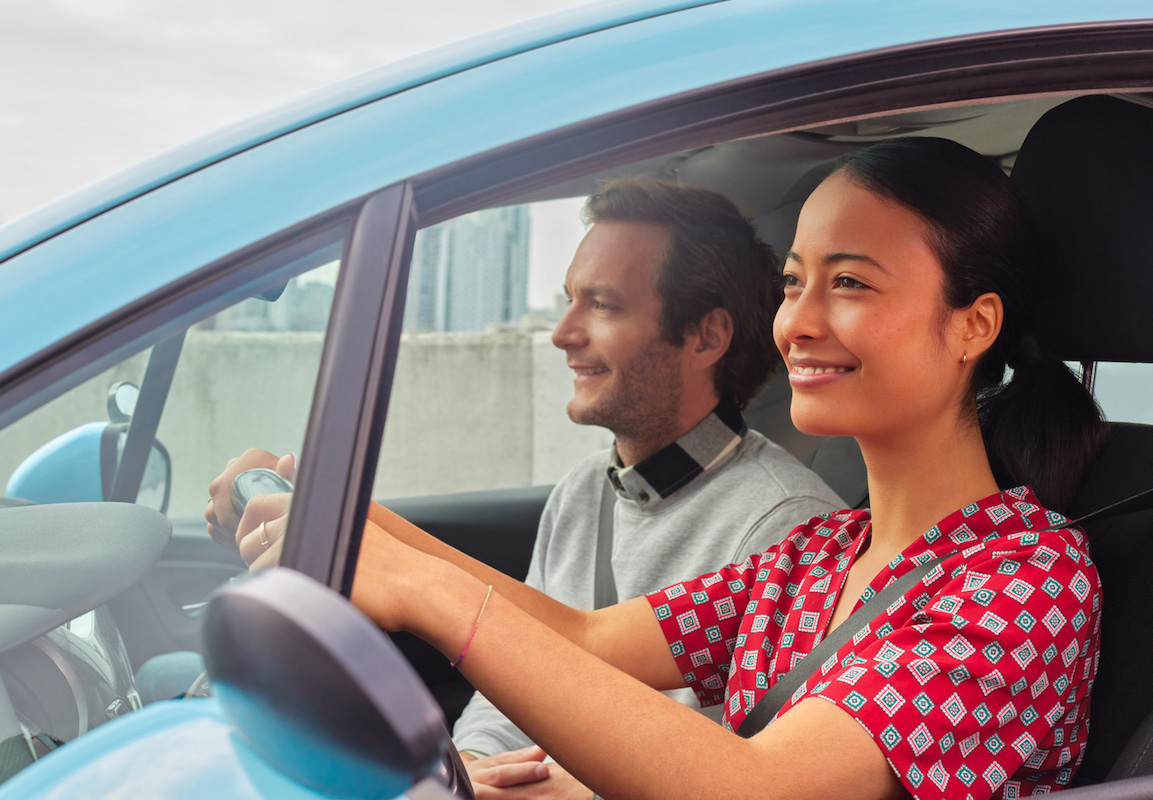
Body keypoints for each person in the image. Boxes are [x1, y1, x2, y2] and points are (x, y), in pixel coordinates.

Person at [229, 137, 1109, 799]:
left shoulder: (1028, 580)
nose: (798, 321)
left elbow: (759, 787)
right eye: (794, 281)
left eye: (849, 283)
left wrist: (425, 592)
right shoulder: (822, 554)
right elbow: (584, 640)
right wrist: (341, 517)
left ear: (972, 325)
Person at [207, 176, 845, 799]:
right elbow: (513, 670)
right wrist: (474, 769)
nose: (563, 333)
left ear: (706, 336)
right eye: (569, 299)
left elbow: (748, 769)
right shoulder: (582, 493)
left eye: (602, 305)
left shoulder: (789, 530)